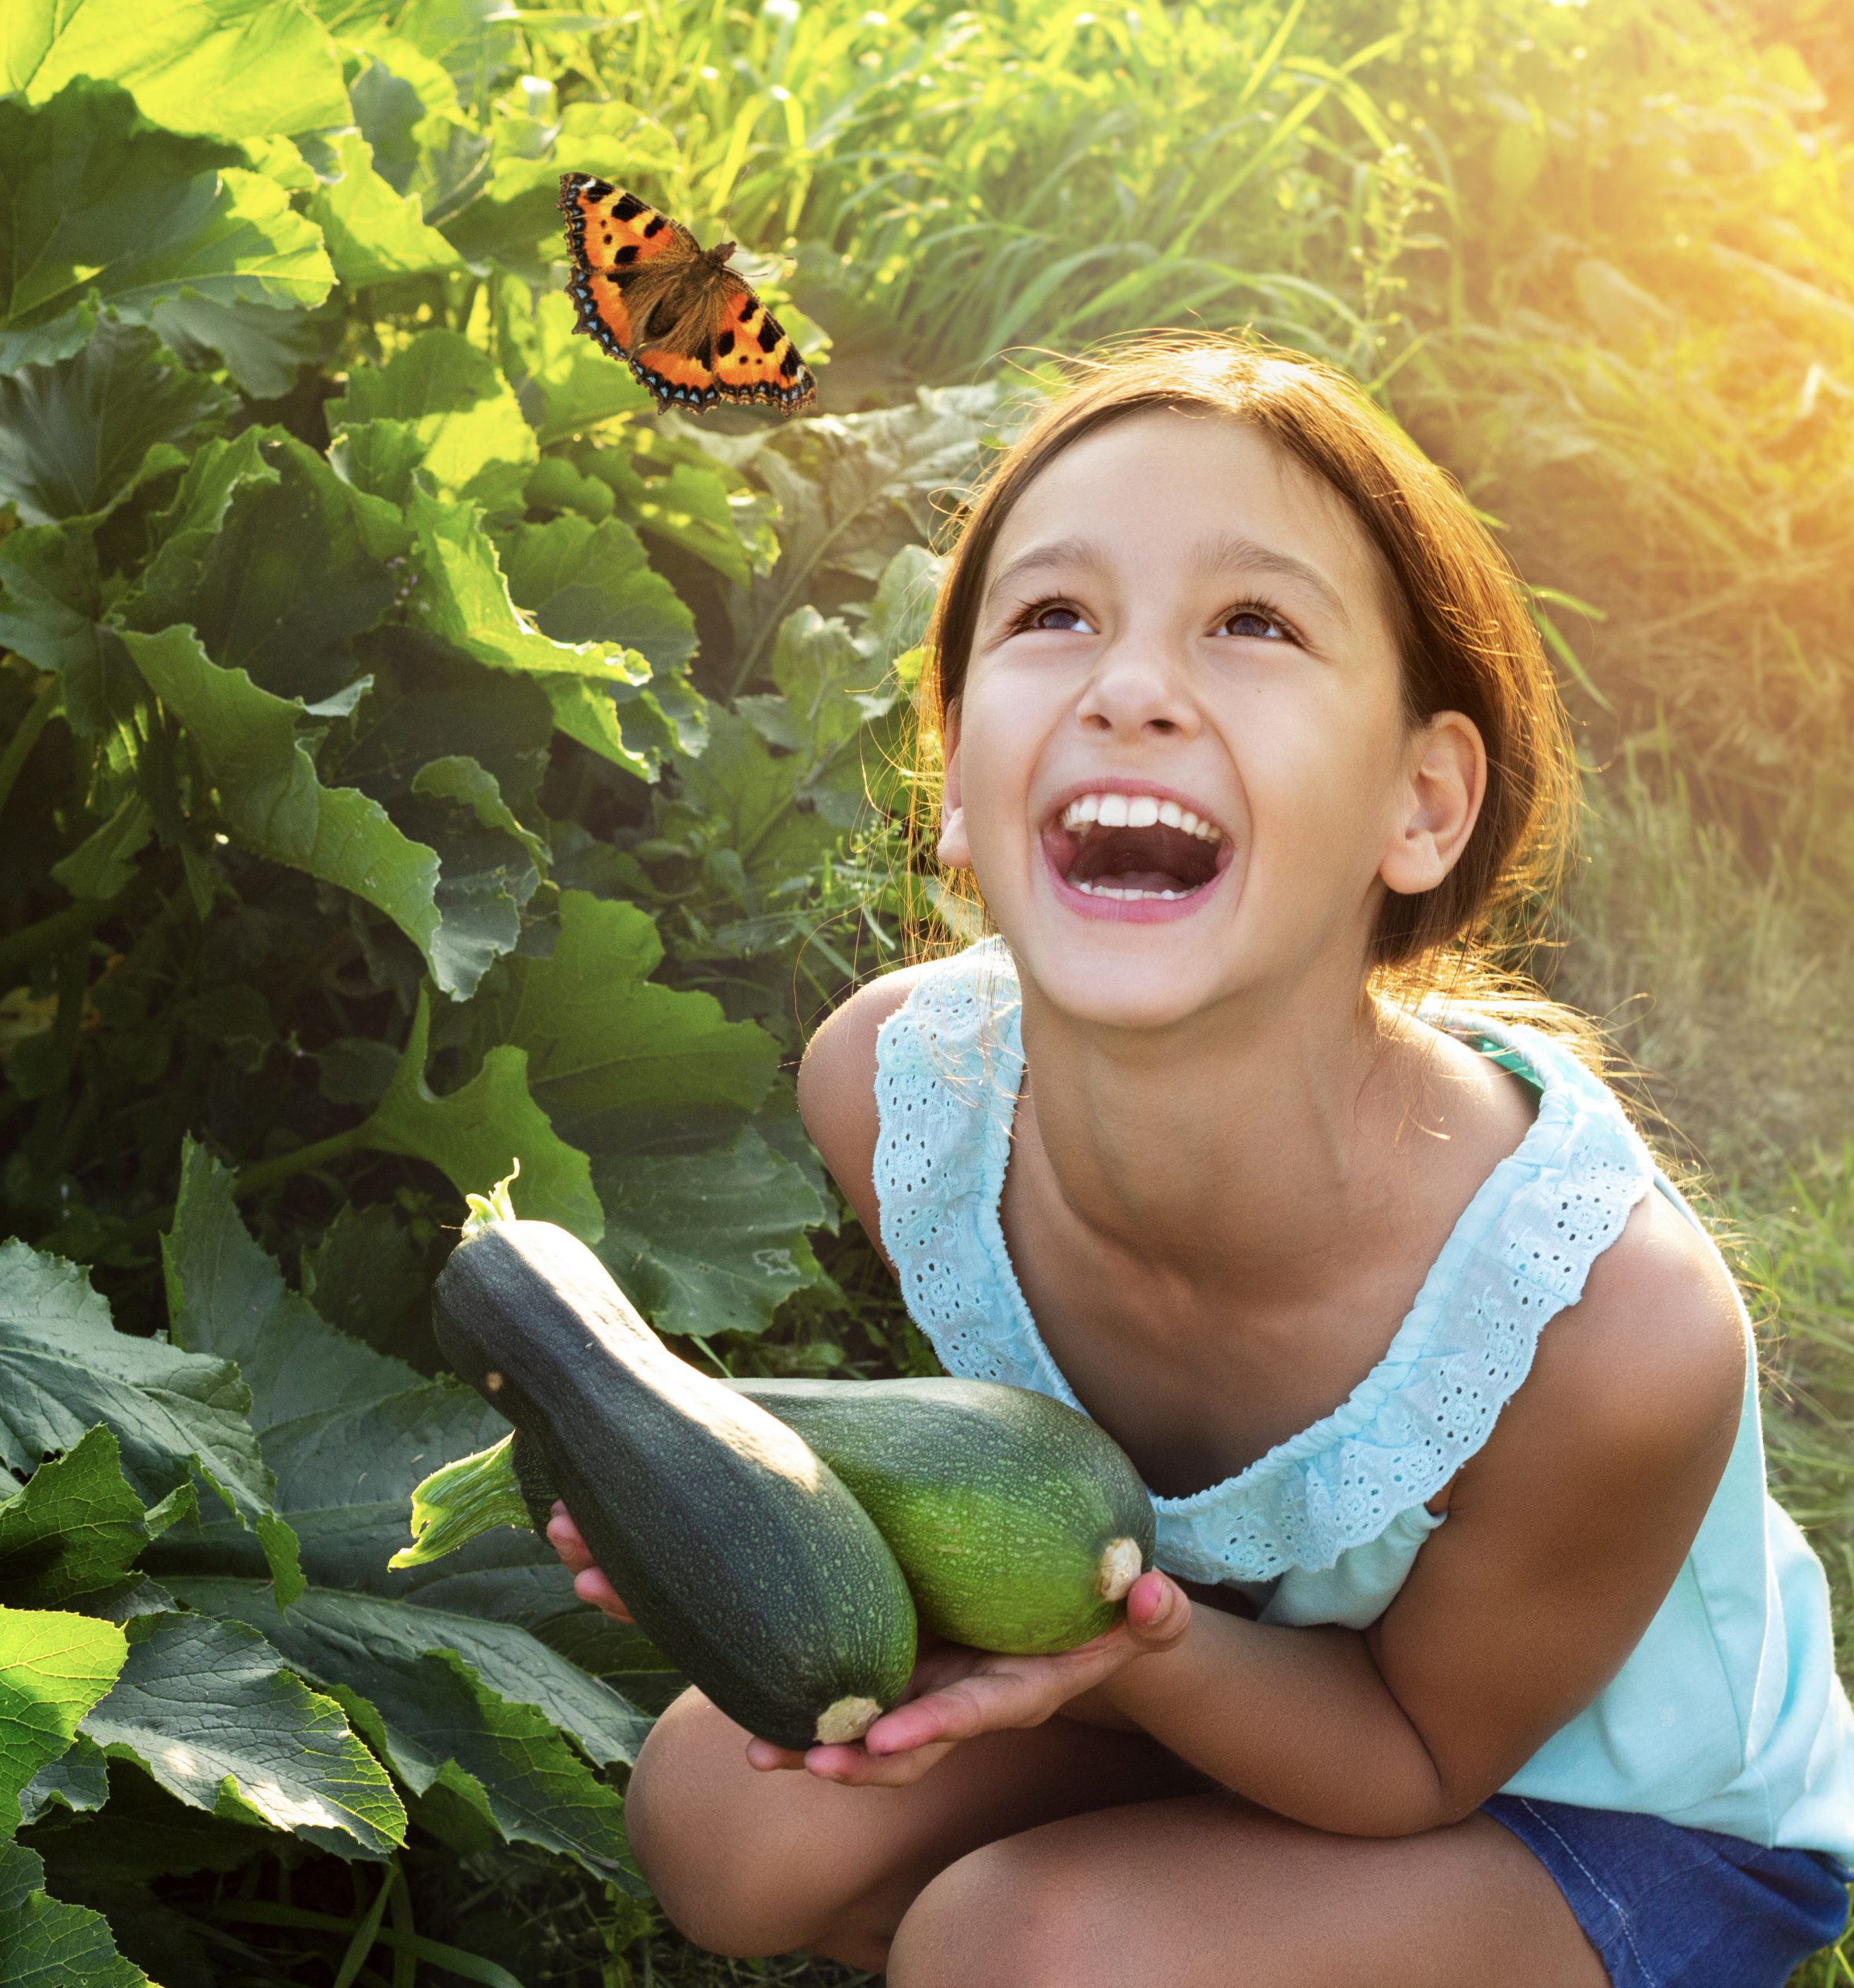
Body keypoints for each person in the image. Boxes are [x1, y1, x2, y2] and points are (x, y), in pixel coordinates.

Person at [547, 335, 1854, 1987]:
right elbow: (1023, 1520)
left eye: (1252, 623)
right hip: (1220, 1672)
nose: (1128, 686)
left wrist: (1111, 1656)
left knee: (1023, 1950)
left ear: (1420, 801)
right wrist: (700, 1469)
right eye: (1049, 617)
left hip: (1574, 1803)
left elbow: (1410, 1754)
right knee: (719, 1818)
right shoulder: (894, 1097)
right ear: (955, 781)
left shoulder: (1607, 1339)